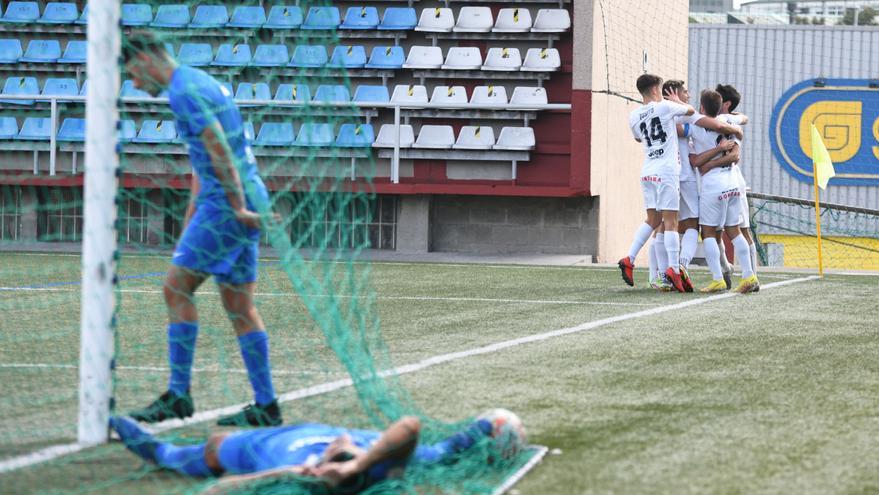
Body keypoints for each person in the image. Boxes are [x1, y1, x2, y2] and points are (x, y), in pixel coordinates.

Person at [122, 31, 281, 426]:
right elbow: (204, 160)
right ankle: (267, 405)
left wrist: (236, 208)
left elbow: (219, 151)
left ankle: (179, 395)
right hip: (241, 194)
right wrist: (195, 216)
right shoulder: (201, 82)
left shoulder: (183, 92)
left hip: (227, 203)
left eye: (133, 75)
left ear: (145, 58)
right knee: (239, 306)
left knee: (176, 288)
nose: (137, 85)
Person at [109, 409, 526, 494]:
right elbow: (410, 427)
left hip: (263, 451)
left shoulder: (299, 476)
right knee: (444, 453)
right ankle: (491, 431)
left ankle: (112, 419)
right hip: (315, 439)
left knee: (202, 450)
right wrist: (359, 458)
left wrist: (288, 472)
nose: (339, 450)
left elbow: (217, 491)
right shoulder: (381, 463)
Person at [647, 80, 744, 291]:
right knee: (700, 227)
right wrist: (736, 130)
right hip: (690, 176)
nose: (688, 95)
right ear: (673, 94)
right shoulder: (690, 115)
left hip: (660, 174)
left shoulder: (661, 114)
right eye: (684, 92)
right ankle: (681, 267)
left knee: (662, 225)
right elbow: (725, 124)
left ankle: (659, 275)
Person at [619, 74, 695, 293]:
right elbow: (690, 111)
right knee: (671, 221)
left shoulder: (633, 115)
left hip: (648, 171)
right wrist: (677, 102)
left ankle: (629, 258)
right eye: (661, 88)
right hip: (666, 171)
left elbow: (637, 138)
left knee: (652, 219)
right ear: (655, 89)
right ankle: (673, 269)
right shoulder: (664, 107)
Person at [688, 90, 759, 294]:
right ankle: (749, 275)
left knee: (708, 232)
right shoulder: (726, 118)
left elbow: (696, 162)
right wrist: (736, 128)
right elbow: (742, 118)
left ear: (701, 107)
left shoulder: (696, 124)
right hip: (733, 181)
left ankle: (718, 278)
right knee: (734, 229)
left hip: (714, 183)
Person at [715, 83, 759, 291]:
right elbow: (744, 118)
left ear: (726, 104)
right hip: (715, 181)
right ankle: (726, 268)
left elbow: (734, 155)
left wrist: (706, 164)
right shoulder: (729, 119)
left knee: (740, 229)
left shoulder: (722, 120)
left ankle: (752, 276)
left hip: (729, 178)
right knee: (713, 230)